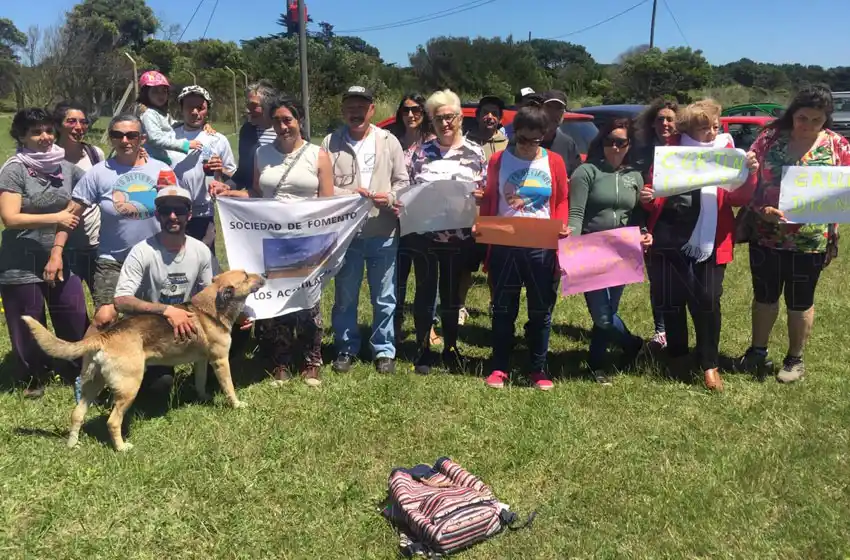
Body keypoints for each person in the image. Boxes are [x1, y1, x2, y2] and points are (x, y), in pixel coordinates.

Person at [213, 96, 334, 386]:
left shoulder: (318, 155)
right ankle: (279, 361)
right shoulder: (261, 154)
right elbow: (256, 193)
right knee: (273, 299)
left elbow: (327, 203)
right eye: (277, 120)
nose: (282, 126)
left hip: (306, 240)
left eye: (288, 119)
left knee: (307, 301)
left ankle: (310, 360)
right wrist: (231, 195)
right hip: (268, 239)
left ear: (299, 120)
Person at [640, 99, 758, 392]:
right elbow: (656, 194)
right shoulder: (671, 153)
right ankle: (678, 355)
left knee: (707, 299)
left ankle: (709, 364)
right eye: (704, 127)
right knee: (671, 298)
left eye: (715, 126)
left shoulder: (725, 154)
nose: (711, 132)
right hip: (668, 235)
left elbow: (737, 199)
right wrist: (647, 197)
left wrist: (749, 174)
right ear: (689, 129)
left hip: (711, 239)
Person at [735, 84, 850, 383]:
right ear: (792, 113)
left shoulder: (838, 145)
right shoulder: (770, 138)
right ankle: (757, 351)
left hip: (810, 241)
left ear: (826, 118)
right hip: (766, 233)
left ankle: (794, 359)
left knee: (800, 300)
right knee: (764, 296)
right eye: (803, 118)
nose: (808, 125)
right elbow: (749, 179)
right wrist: (760, 208)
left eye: (816, 119)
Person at [45, 114, 180, 333]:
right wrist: (56, 252)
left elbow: (178, 213)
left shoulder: (161, 171)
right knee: (104, 319)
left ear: (142, 139)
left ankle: (154, 367)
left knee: (156, 322)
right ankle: (86, 365)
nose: (124, 140)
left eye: (131, 135)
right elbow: (71, 214)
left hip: (156, 258)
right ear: (111, 139)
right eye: (117, 135)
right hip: (113, 260)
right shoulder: (98, 174)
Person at [476, 104, 570, 390]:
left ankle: (538, 369)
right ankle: (500, 367)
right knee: (503, 309)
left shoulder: (553, 162)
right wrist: (481, 223)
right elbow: (491, 197)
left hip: (542, 245)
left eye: (535, 140)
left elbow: (564, 199)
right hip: (505, 243)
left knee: (541, 311)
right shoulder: (498, 161)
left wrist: (562, 225)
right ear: (514, 133)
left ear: (545, 135)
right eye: (523, 139)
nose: (528, 145)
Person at [0, 108, 90, 398]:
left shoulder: (65, 167)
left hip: (61, 255)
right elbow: (10, 218)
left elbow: (89, 190)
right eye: (36, 132)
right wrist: (57, 218)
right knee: (28, 319)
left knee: (73, 312)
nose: (45, 137)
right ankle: (33, 377)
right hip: (20, 260)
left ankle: (78, 367)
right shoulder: (14, 169)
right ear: (22, 136)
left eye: (49, 130)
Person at [323, 86, 408, 374]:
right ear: (343, 110)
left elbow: (402, 181)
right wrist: (347, 193)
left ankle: (384, 350)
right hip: (346, 235)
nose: (355, 112)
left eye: (361, 106)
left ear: (372, 109)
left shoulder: (388, 141)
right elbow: (320, 186)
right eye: (350, 106)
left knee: (384, 297)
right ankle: (346, 347)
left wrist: (393, 198)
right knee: (344, 296)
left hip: (382, 231)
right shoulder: (330, 142)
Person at [407, 89, 487, 374]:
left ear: (459, 117)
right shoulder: (419, 153)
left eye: (450, 117)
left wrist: (480, 199)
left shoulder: (475, 153)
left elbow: (486, 193)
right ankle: (423, 349)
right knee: (425, 293)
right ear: (432, 120)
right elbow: (406, 189)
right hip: (424, 237)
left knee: (452, 295)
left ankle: (451, 348)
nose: (445, 123)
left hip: (460, 238)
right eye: (439, 118)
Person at [568, 118, 652, 385]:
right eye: (609, 141)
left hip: (624, 248)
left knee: (609, 310)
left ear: (629, 145)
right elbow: (576, 214)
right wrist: (569, 250)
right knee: (602, 316)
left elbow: (639, 213)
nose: (614, 147)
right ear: (601, 142)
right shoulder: (587, 172)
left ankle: (596, 364)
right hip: (592, 247)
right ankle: (633, 343)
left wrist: (646, 232)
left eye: (621, 142)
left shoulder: (635, 177)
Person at [112, 186, 215, 389]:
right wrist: (167, 310)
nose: (173, 216)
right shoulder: (142, 251)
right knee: (161, 386)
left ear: (190, 215)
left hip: (187, 325)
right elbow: (121, 300)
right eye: (166, 211)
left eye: (180, 211)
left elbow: (208, 294)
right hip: (150, 332)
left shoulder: (201, 250)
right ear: (158, 215)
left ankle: (203, 375)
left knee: (238, 327)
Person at [389, 93, 442, 348]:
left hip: (426, 222)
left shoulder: (435, 145)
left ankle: (427, 326)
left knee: (427, 278)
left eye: (417, 110)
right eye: (406, 110)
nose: (411, 115)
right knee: (396, 278)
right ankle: (395, 326)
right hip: (395, 221)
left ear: (425, 114)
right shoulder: (391, 142)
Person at [633, 98, 679, 351]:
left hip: (682, 224)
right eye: (660, 118)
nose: (664, 123)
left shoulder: (686, 148)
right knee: (658, 281)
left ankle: (677, 332)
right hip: (651, 224)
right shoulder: (640, 151)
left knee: (680, 282)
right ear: (652, 122)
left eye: (670, 119)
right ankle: (660, 331)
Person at [170, 85, 237, 254]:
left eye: (200, 108)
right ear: (181, 109)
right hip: (171, 212)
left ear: (207, 110)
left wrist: (221, 170)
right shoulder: (168, 137)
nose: (194, 112)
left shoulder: (217, 140)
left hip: (203, 214)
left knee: (204, 262)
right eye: (189, 107)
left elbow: (233, 176)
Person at [53, 101, 104, 291]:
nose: (79, 127)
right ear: (58, 125)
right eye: (71, 121)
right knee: (70, 310)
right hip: (64, 247)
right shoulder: (47, 158)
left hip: (96, 243)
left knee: (105, 308)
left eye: (83, 122)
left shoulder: (94, 154)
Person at [135, 71, 204, 165]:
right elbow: (155, 139)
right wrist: (185, 145)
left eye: (164, 91)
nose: (161, 95)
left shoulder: (160, 113)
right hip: (151, 161)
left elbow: (172, 124)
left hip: (161, 161)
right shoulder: (148, 114)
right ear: (146, 94)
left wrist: (195, 123)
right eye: (155, 91)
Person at [232, 81, 279, 190]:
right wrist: (226, 186)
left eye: (253, 106)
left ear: (269, 106)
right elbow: (243, 173)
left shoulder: (286, 131)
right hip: (255, 202)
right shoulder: (247, 131)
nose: (247, 110)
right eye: (247, 105)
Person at [540, 90, 583, 176]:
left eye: (558, 108)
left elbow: (576, 178)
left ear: (564, 112)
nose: (553, 113)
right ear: (539, 108)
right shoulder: (525, 140)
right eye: (549, 106)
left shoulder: (568, 144)